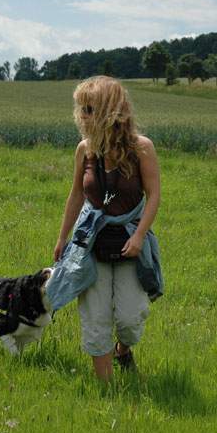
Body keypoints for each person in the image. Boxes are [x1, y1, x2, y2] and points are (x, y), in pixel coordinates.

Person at [49, 75, 162, 382]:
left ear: (110, 111)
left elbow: (154, 195)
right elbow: (76, 195)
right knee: (95, 319)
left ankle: (123, 350)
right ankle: (107, 390)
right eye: (80, 109)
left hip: (129, 241)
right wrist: (62, 238)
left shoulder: (142, 148)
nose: (80, 116)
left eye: (88, 109)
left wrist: (139, 236)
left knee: (130, 318)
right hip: (90, 244)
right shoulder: (84, 150)